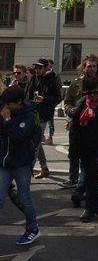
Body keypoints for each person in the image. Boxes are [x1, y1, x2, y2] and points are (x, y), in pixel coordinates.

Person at [69, 75, 98, 222]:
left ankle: (90, 208)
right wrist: (74, 148)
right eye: (89, 92)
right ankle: (95, 206)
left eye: (95, 92)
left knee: (91, 176)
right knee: (91, 177)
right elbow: (76, 126)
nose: (92, 95)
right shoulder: (82, 103)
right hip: (85, 146)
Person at [0, 86, 41, 245]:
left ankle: (32, 228)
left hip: (21, 163)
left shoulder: (29, 116)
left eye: (9, 104)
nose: (6, 107)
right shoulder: (4, 109)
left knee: (24, 197)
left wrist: (8, 120)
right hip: (4, 162)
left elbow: (18, 136)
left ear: (19, 102)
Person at [25, 58, 62, 179]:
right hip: (32, 113)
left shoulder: (52, 79)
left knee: (34, 144)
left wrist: (44, 99)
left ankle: (27, 171)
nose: (37, 70)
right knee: (36, 142)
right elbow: (28, 95)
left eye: (40, 68)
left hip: (43, 116)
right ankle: (44, 167)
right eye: (36, 67)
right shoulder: (34, 78)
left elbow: (58, 98)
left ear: (46, 68)